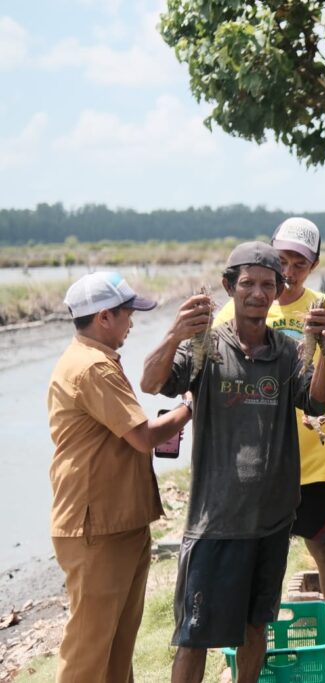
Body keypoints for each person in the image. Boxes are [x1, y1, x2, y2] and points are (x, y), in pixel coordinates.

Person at [140, 242, 325, 683]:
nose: (257, 293)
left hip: (271, 522)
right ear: (229, 287)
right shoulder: (205, 347)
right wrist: (174, 333)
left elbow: (319, 401)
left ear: (278, 291)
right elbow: (151, 382)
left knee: (256, 628)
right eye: (247, 283)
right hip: (215, 523)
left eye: (268, 284)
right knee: (193, 637)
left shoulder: (288, 352)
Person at [212, 218, 325, 677]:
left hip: (314, 462)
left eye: (299, 262)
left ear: (313, 265)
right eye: (282, 259)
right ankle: (244, 652)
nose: (289, 269)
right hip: (255, 467)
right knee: (252, 561)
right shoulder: (236, 309)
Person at [47, 272, 193, 683]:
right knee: (89, 651)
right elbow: (143, 437)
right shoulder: (93, 367)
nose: (132, 322)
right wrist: (189, 407)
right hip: (97, 525)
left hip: (115, 520)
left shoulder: (91, 359)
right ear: (104, 317)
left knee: (116, 648)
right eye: (128, 313)